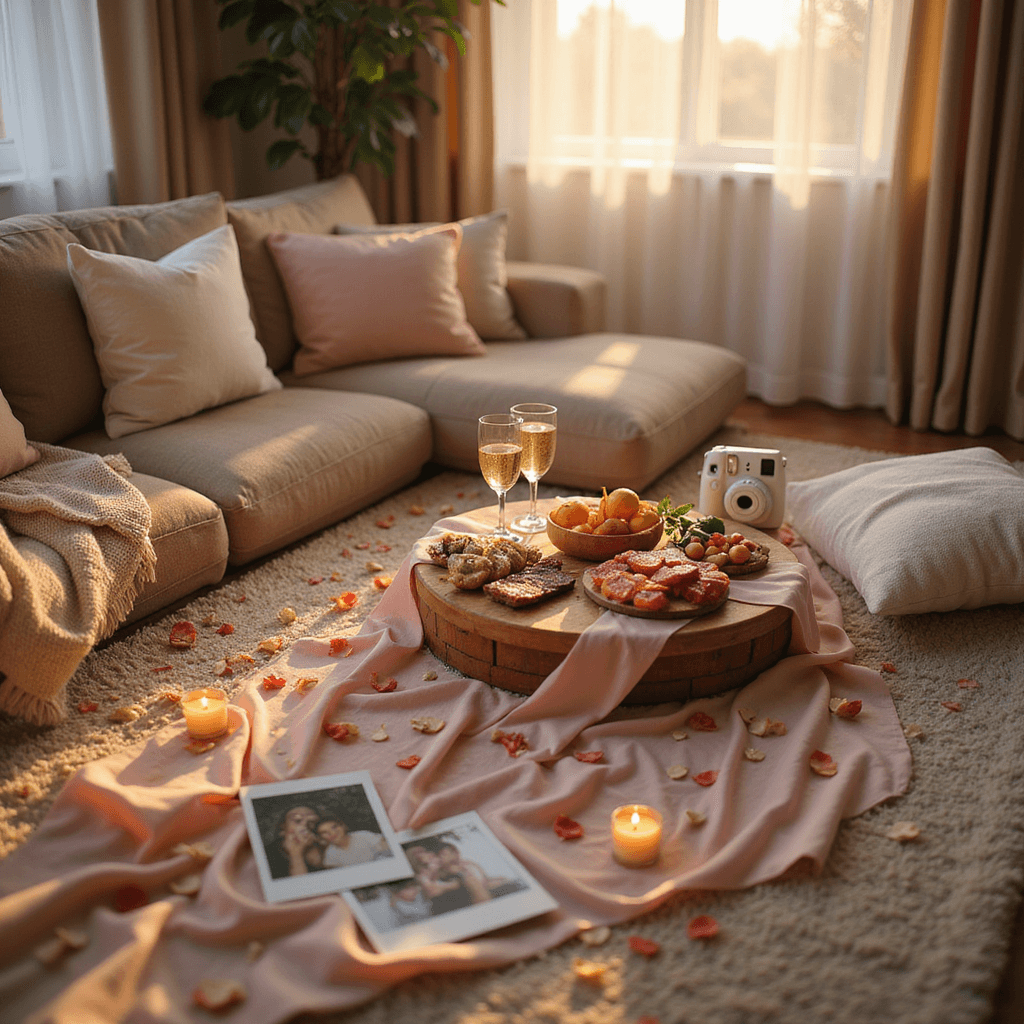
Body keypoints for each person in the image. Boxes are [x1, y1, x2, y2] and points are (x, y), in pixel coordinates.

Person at [406, 845, 474, 915]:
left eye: (427, 853)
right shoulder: (421, 877)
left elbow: (459, 882)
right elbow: (431, 891)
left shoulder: (449, 872)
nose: (431, 854)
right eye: (431, 859)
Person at [265, 804, 323, 878]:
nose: (304, 825)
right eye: (297, 820)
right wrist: (296, 854)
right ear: (283, 828)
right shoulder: (266, 856)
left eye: (312, 821)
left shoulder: (326, 848)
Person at [316, 817, 389, 868]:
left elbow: (386, 849)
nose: (332, 832)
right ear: (321, 838)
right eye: (324, 832)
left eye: (334, 827)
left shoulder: (363, 835)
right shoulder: (330, 854)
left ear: (343, 826)